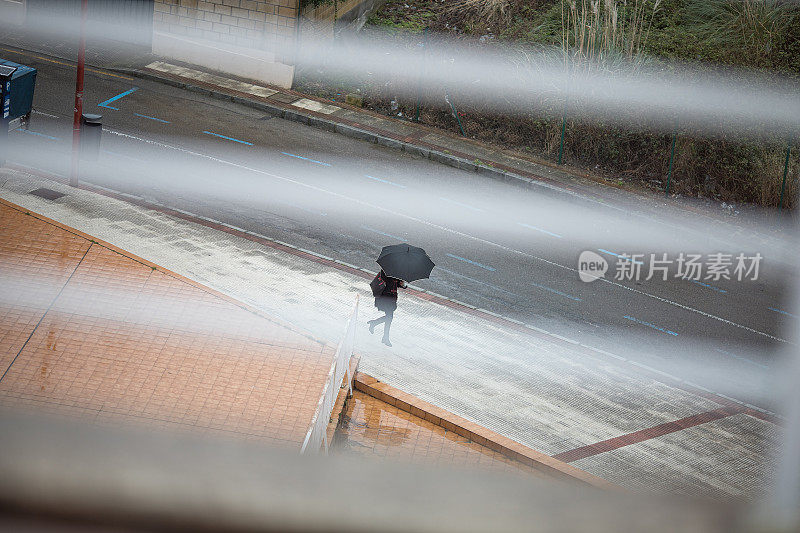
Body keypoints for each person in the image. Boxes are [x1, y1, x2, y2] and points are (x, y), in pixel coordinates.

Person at [368, 269, 406, 347]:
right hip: (384, 298)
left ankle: (377, 328)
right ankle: (384, 336)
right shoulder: (386, 271)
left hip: (391, 299)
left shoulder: (398, 272)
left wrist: (402, 284)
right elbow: (385, 282)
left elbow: (397, 284)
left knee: (389, 318)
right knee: (389, 317)